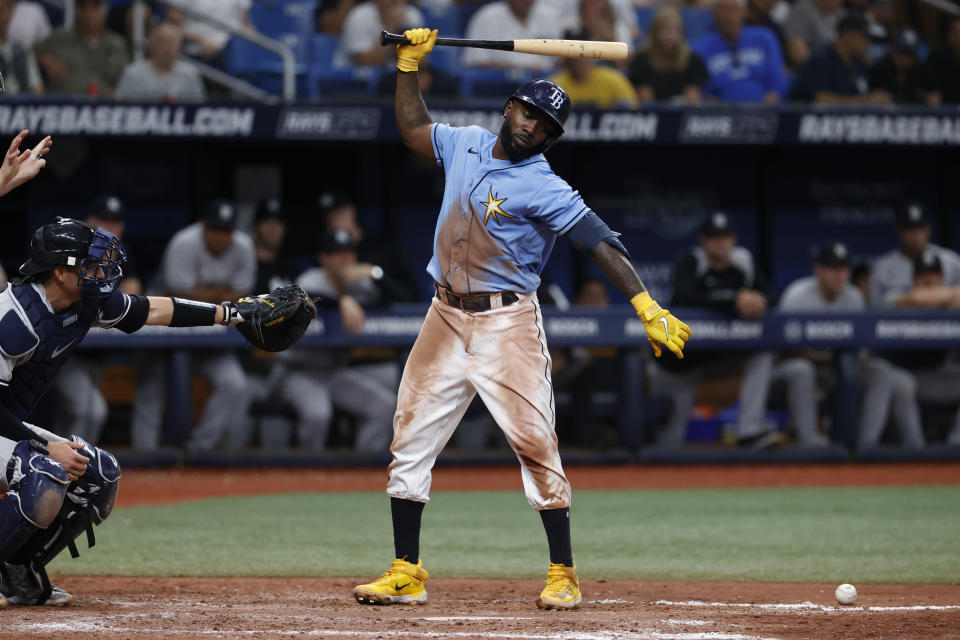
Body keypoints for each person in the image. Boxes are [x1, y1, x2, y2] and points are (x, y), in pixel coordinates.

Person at [352, 28, 690, 610]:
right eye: (529, 112)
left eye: (546, 125)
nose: (533, 126)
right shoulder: (465, 142)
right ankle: (406, 570)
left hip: (506, 323)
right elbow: (412, 129)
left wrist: (645, 304)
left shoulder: (543, 184)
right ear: (510, 107)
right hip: (443, 315)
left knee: (535, 442)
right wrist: (407, 66)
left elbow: (600, 243)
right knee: (409, 440)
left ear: (551, 138)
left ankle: (563, 571)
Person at [0, 216, 277, 607]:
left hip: (7, 428)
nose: (101, 270)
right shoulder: (14, 317)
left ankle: (16, 569)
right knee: (45, 471)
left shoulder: (83, 302)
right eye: (88, 263)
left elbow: (154, 311)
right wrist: (44, 449)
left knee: (98, 475)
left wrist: (232, 314)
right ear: (60, 272)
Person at [648, 212, 802, 448]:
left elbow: (770, 295)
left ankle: (749, 432)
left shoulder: (743, 263)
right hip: (680, 366)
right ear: (703, 240)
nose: (720, 242)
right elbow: (684, 297)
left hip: (718, 362)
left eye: (725, 236)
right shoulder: (691, 261)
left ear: (734, 239)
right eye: (714, 237)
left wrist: (758, 301)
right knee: (669, 445)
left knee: (762, 353)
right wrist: (733, 302)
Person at [130, 200, 255, 451]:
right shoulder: (184, 242)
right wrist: (220, 295)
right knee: (151, 394)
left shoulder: (244, 246)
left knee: (235, 384)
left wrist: (201, 295)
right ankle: (143, 461)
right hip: (165, 330)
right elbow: (180, 299)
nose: (221, 237)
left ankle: (199, 452)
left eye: (227, 231)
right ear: (203, 226)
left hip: (210, 338)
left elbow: (241, 297)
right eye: (216, 229)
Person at [779, 241, 921, 448]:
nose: (839, 274)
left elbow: (860, 347)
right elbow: (785, 349)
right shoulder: (797, 295)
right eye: (832, 268)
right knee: (803, 370)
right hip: (806, 365)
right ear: (818, 269)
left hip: (840, 366)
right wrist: (825, 358)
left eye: (844, 268)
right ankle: (808, 442)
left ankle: (865, 445)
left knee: (881, 371)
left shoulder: (853, 296)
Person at [265, 229, 397, 451]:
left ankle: (360, 472)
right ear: (323, 258)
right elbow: (307, 297)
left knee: (386, 407)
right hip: (296, 371)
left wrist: (375, 274)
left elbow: (398, 298)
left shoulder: (359, 282)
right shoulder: (310, 279)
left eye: (348, 253)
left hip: (334, 371)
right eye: (336, 254)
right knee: (319, 414)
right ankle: (307, 475)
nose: (344, 259)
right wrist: (342, 301)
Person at [51, 196, 140, 445]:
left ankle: (56, 472)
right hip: (63, 350)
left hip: (93, 353)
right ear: (90, 222)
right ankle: (74, 469)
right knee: (91, 411)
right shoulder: (74, 249)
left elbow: (133, 294)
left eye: (116, 222)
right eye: (104, 222)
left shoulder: (120, 253)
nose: (111, 229)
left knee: (73, 414)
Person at [876, 252, 960, 446]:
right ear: (913, 278)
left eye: (934, 276)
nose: (928, 281)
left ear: (942, 277)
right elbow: (915, 299)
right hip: (901, 372)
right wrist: (948, 295)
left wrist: (947, 296)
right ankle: (915, 448)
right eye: (923, 276)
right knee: (903, 383)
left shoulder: (949, 302)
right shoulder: (897, 297)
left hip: (937, 373)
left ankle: (957, 442)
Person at [692, 0, 787, 103]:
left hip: (763, 110)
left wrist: (768, 104)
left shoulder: (764, 38)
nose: (730, 17)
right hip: (720, 112)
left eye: (735, 10)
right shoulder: (700, 47)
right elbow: (698, 90)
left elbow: (777, 80)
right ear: (715, 14)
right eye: (725, 11)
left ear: (744, 12)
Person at [870, 202, 960, 309]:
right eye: (910, 230)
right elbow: (876, 308)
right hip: (899, 324)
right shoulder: (882, 266)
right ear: (900, 231)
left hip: (947, 325)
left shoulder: (951, 261)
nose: (916, 235)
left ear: (928, 229)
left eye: (920, 229)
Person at [32, 0, 129, 97]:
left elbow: (126, 79)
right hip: (63, 105)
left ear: (105, 10)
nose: (89, 13)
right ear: (76, 10)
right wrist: (45, 60)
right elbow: (28, 54)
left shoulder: (117, 43)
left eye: (95, 6)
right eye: (82, 7)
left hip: (106, 106)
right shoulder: (59, 38)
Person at [789, 11, 889, 104]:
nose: (868, 43)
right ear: (847, 34)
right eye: (865, 37)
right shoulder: (821, 59)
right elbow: (821, 100)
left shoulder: (859, 62)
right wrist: (865, 101)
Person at [629, 5, 708, 104]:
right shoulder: (641, 60)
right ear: (654, 33)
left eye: (674, 31)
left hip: (683, 115)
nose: (669, 37)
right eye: (664, 30)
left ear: (682, 34)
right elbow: (646, 103)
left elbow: (693, 101)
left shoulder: (693, 61)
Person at [115, 22, 205, 102]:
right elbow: (122, 108)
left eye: (173, 42)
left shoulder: (191, 74)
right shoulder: (132, 74)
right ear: (152, 44)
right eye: (163, 41)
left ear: (180, 46)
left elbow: (198, 109)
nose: (168, 48)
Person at [549, 29, 638, 109]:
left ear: (591, 52)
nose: (576, 56)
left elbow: (632, 110)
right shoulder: (554, 87)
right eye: (570, 50)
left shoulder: (613, 80)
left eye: (581, 50)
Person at [463, 0, 560, 71]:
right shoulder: (486, 17)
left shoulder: (551, 17)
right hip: (499, 86)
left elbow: (562, 62)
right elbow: (474, 63)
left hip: (545, 85)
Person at [333, 0, 423, 68]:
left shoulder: (412, 15)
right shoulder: (359, 16)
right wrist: (391, 27)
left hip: (392, 75)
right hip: (351, 81)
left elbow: (420, 61)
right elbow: (366, 62)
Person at [165, 0, 252, 67]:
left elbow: (246, 23)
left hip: (233, 48)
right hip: (196, 49)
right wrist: (201, 42)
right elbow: (173, 25)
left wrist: (249, 34)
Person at [868, 29, 926, 104]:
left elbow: (933, 100)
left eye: (911, 54)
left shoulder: (922, 71)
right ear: (893, 50)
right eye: (903, 53)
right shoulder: (878, 70)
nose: (907, 59)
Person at [783, 0, 846, 69]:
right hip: (812, 71)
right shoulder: (802, 11)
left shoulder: (841, 13)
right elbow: (798, 55)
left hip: (836, 70)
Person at [0, 0, 43, 95]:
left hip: (22, 106)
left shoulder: (22, 50)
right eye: (0, 11)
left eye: (7, 10)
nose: (3, 16)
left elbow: (37, 89)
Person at [923, 15, 960, 106]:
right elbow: (928, 90)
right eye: (957, 34)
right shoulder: (936, 60)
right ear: (949, 36)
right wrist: (929, 96)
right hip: (944, 115)